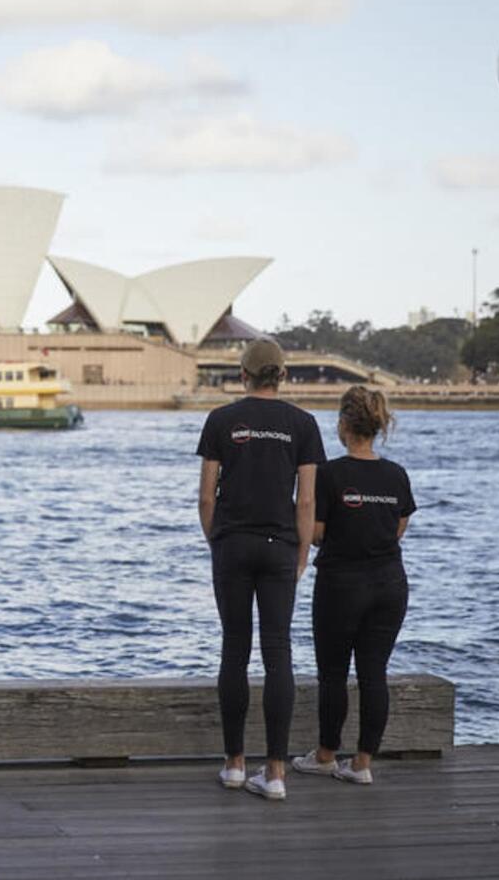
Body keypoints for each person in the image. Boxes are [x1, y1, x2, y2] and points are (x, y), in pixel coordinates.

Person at [196, 338, 325, 801]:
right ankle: (275, 773)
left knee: (234, 647)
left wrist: (217, 540)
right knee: (278, 653)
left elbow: (207, 496)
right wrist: (303, 551)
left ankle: (234, 764)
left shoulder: (221, 420)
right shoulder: (303, 424)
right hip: (279, 547)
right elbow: (307, 498)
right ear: (283, 375)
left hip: (232, 543)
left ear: (243, 375)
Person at [293, 385, 414, 785]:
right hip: (390, 584)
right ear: (377, 426)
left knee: (333, 673)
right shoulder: (396, 474)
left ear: (343, 425)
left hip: (341, 586)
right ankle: (362, 763)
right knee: (374, 673)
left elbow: (316, 533)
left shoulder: (330, 474)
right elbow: (398, 528)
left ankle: (326, 755)